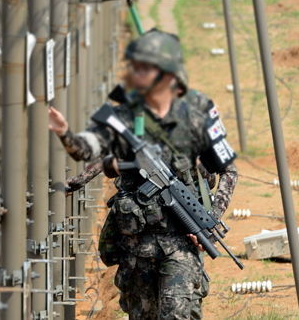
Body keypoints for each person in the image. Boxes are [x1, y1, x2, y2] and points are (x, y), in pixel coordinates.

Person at [48, 29, 238, 319]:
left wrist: (210, 217)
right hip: (136, 245)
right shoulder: (125, 116)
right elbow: (89, 152)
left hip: (182, 241)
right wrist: (64, 134)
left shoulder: (198, 112)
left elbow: (228, 171)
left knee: (178, 313)